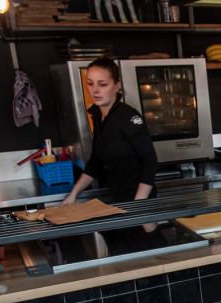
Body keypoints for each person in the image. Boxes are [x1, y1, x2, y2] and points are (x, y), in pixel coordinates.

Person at [62, 57, 158, 206]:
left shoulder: (127, 116)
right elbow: (96, 162)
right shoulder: (99, 117)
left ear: (116, 86)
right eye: (90, 83)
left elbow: (150, 161)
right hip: (118, 198)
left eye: (103, 84)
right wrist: (73, 195)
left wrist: (139, 205)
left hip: (139, 200)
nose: (95, 90)